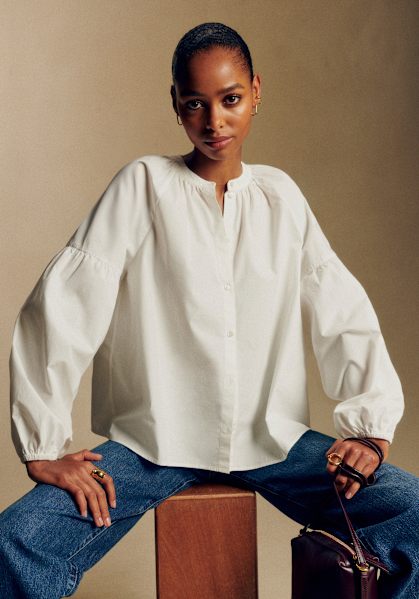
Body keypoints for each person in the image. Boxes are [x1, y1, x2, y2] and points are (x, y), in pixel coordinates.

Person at [1, 22, 417, 599]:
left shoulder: (281, 197)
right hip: (151, 447)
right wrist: (43, 447)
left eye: (230, 99)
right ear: (176, 104)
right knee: (18, 539)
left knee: (412, 512)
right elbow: (64, 306)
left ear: (256, 92)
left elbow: (341, 310)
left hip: (272, 443)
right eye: (195, 103)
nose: (214, 121)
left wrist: (369, 432)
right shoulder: (143, 185)